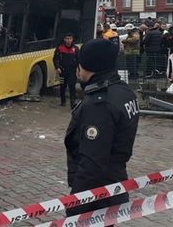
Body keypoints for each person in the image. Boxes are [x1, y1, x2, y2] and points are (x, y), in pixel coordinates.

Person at [65, 39, 139, 220]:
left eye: (79, 63)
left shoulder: (99, 104)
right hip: (115, 182)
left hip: (97, 195)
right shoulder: (123, 91)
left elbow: (93, 163)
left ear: (89, 65)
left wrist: (76, 204)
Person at [53, 33, 79, 108]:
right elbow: (55, 59)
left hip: (72, 71)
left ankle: (72, 103)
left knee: (72, 86)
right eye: (67, 38)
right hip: (62, 71)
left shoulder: (76, 49)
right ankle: (63, 101)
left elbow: (79, 60)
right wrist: (57, 67)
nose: (68, 40)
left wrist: (78, 70)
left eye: (70, 38)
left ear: (72, 39)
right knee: (62, 86)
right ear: (64, 39)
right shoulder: (60, 48)